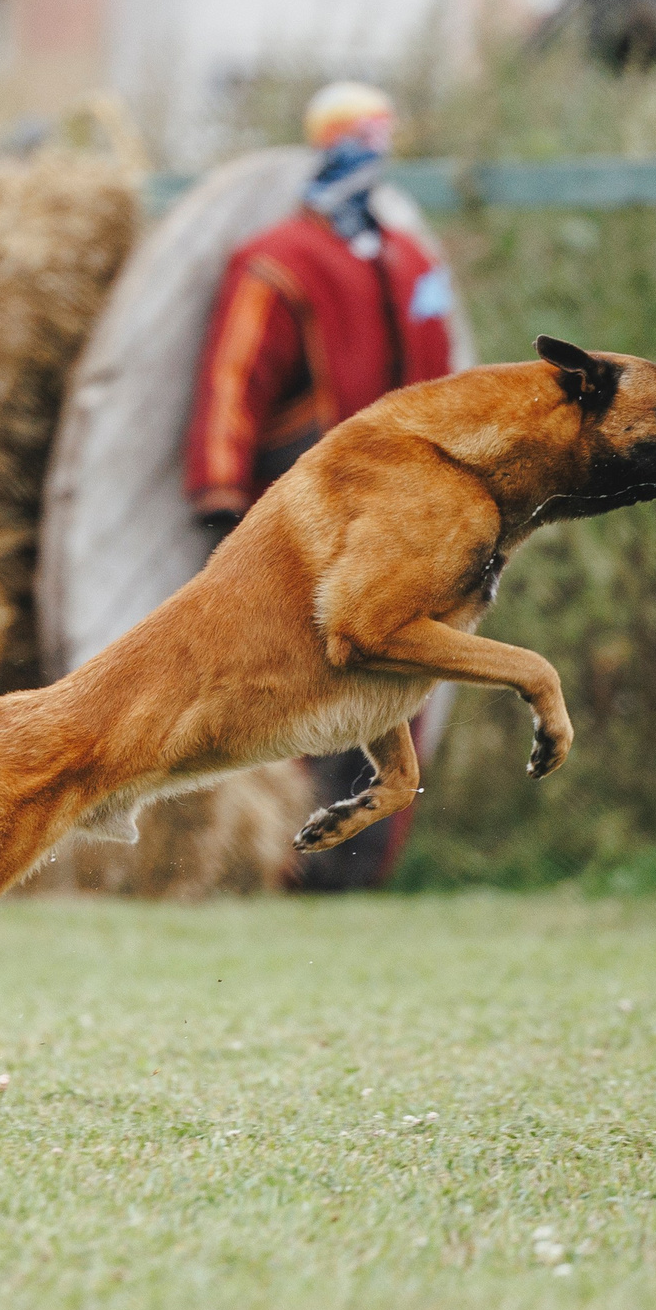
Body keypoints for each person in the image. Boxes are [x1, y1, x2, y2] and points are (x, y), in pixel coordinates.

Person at [183, 80, 461, 889]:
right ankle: (287, 851)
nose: (373, 152)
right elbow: (233, 378)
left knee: (394, 668)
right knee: (302, 670)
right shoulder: (279, 261)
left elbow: (443, 377)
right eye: (359, 136)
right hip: (306, 503)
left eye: (381, 136)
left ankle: (361, 857)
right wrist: (221, 494)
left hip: (405, 510)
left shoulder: (411, 260)